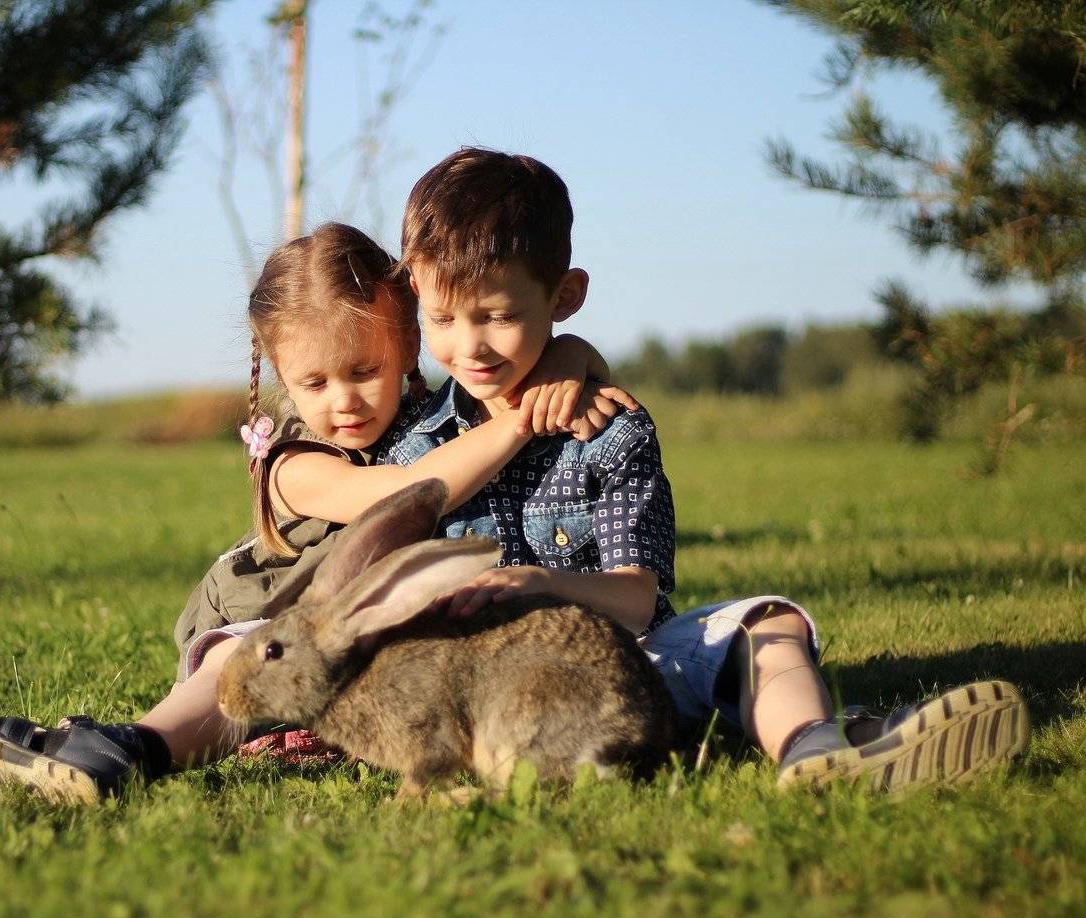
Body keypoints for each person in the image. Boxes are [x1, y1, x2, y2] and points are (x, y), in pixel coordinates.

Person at [383, 146, 1029, 792]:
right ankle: (857, 732)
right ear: (417, 298)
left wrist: (540, 584)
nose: (469, 344)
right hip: (493, 696)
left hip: (628, 672)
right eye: (443, 318)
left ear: (565, 296)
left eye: (498, 316)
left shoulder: (610, 433)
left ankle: (813, 748)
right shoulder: (414, 450)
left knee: (766, 626)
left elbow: (637, 599)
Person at [0, 221, 638, 803]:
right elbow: (414, 491)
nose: (344, 400)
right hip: (272, 618)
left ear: (409, 346)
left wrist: (568, 356)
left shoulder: (429, 422)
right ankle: (124, 748)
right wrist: (521, 418)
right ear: (278, 375)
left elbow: (523, 361)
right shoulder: (294, 465)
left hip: (349, 640)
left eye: (365, 371)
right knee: (246, 660)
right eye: (314, 382)